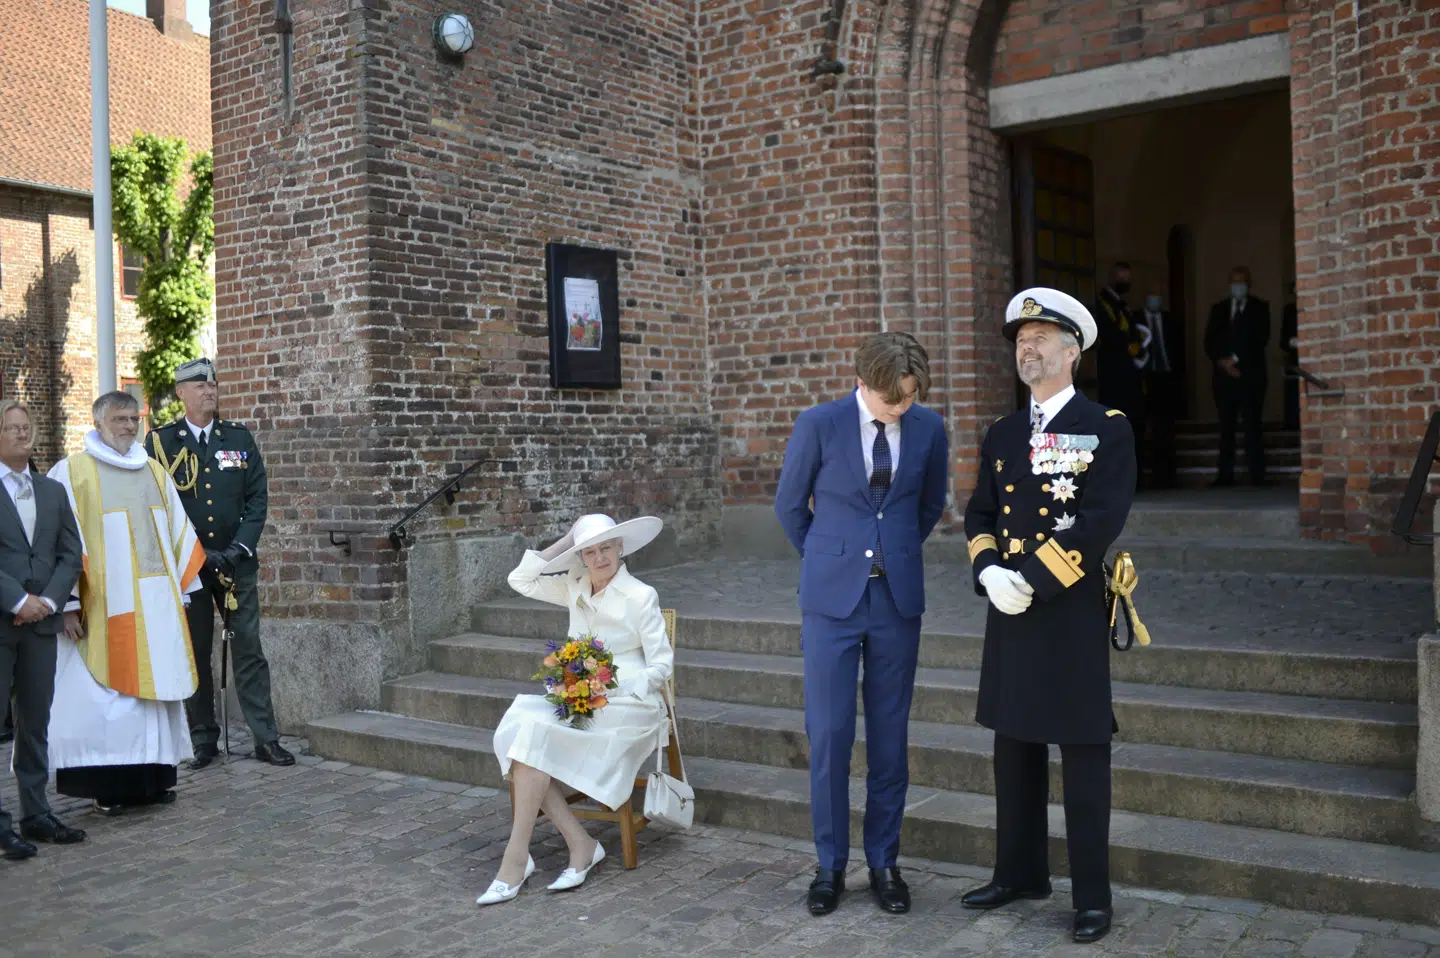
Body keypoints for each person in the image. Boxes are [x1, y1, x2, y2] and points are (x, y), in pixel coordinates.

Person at [960, 288, 1136, 944]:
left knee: (1084, 756)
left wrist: (1029, 578)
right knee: (1014, 748)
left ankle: (1093, 897)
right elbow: (980, 515)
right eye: (1019, 339)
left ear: (1072, 351)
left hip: (1066, 616)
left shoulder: (1105, 427)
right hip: (1009, 614)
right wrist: (988, 572)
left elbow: (1097, 524)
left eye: (1039, 337)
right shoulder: (1004, 433)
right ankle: (1020, 872)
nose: (1024, 347)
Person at [774, 331, 950, 917]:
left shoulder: (929, 428)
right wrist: (832, 556)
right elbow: (789, 507)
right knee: (828, 735)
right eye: (892, 400)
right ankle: (829, 866)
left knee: (889, 738)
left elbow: (927, 507)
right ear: (863, 383)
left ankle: (884, 862)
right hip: (830, 603)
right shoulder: (818, 424)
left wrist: (890, 555)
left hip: (897, 604)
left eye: (909, 398)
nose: (902, 408)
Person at [478, 513, 673, 906]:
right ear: (581, 557)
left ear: (620, 548)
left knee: (531, 742)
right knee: (524, 730)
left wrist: (611, 686)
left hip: (630, 707)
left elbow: (662, 666)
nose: (599, 557)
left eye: (606, 547)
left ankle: (518, 861)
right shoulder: (574, 585)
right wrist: (567, 539)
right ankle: (573, 846)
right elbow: (521, 580)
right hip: (580, 699)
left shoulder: (640, 595)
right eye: (590, 551)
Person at [46, 391, 206, 814]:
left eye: (134, 418)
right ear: (98, 422)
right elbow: (60, 540)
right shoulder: (73, 472)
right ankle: (109, 787)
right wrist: (67, 604)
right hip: (102, 609)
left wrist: (183, 593)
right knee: (105, 702)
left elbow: (177, 531)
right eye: (119, 418)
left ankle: (153, 780)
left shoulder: (153, 470)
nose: (129, 426)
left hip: (156, 607)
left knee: (153, 701)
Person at [147, 358, 292, 769]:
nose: (208, 391)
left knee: (249, 650)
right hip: (190, 568)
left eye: (212, 385)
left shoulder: (238, 438)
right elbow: (157, 506)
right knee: (194, 651)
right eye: (198, 385)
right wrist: (193, 554)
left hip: (235, 564)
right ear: (181, 392)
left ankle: (266, 737)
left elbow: (257, 499)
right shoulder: (161, 444)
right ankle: (202, 739)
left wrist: (238, 550)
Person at [0, 400, 86, 858]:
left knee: (35, 722)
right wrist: (17, 600)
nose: (21, 434)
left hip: (40, 625)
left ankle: (36, 813)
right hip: (2, 620)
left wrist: (49, 601)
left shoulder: (51, 491)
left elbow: (70, 553)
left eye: (25, 427)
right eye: (11, 428)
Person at [1203, 266, 1270, 486]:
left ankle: (1257, 475)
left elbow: (1260, 337)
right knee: (1226, 427)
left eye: (1241, 281)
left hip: (1250, 376)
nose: (1237, 286)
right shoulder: (1219, 309)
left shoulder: (1260, 308)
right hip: (1224, 379)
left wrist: (1236, 359)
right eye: (1234, 281)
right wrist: (1223, 361)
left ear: (1249, 284)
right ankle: (1225, 475)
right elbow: (1209, 341)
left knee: (1252, 426)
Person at [1093, 263, 1145, 483]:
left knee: (1133, 426)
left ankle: (1133, 476)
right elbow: (1110, 334)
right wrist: (1128, 344)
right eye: (1123, 277)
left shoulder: (1121, 305)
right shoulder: (1103, 304)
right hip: (1113, 376)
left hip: (1128, 376)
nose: (1127, 282)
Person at [1133, 286, 1181, 489]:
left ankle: (1166, 477)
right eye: (1152, 295)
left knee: (1166, 429)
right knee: (1141, 427)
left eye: (1158, 296)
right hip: (1144, 378)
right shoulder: (1135, 320)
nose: (1155, 299)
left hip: (1166, 379)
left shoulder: (1170, 320)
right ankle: (1141, 477)